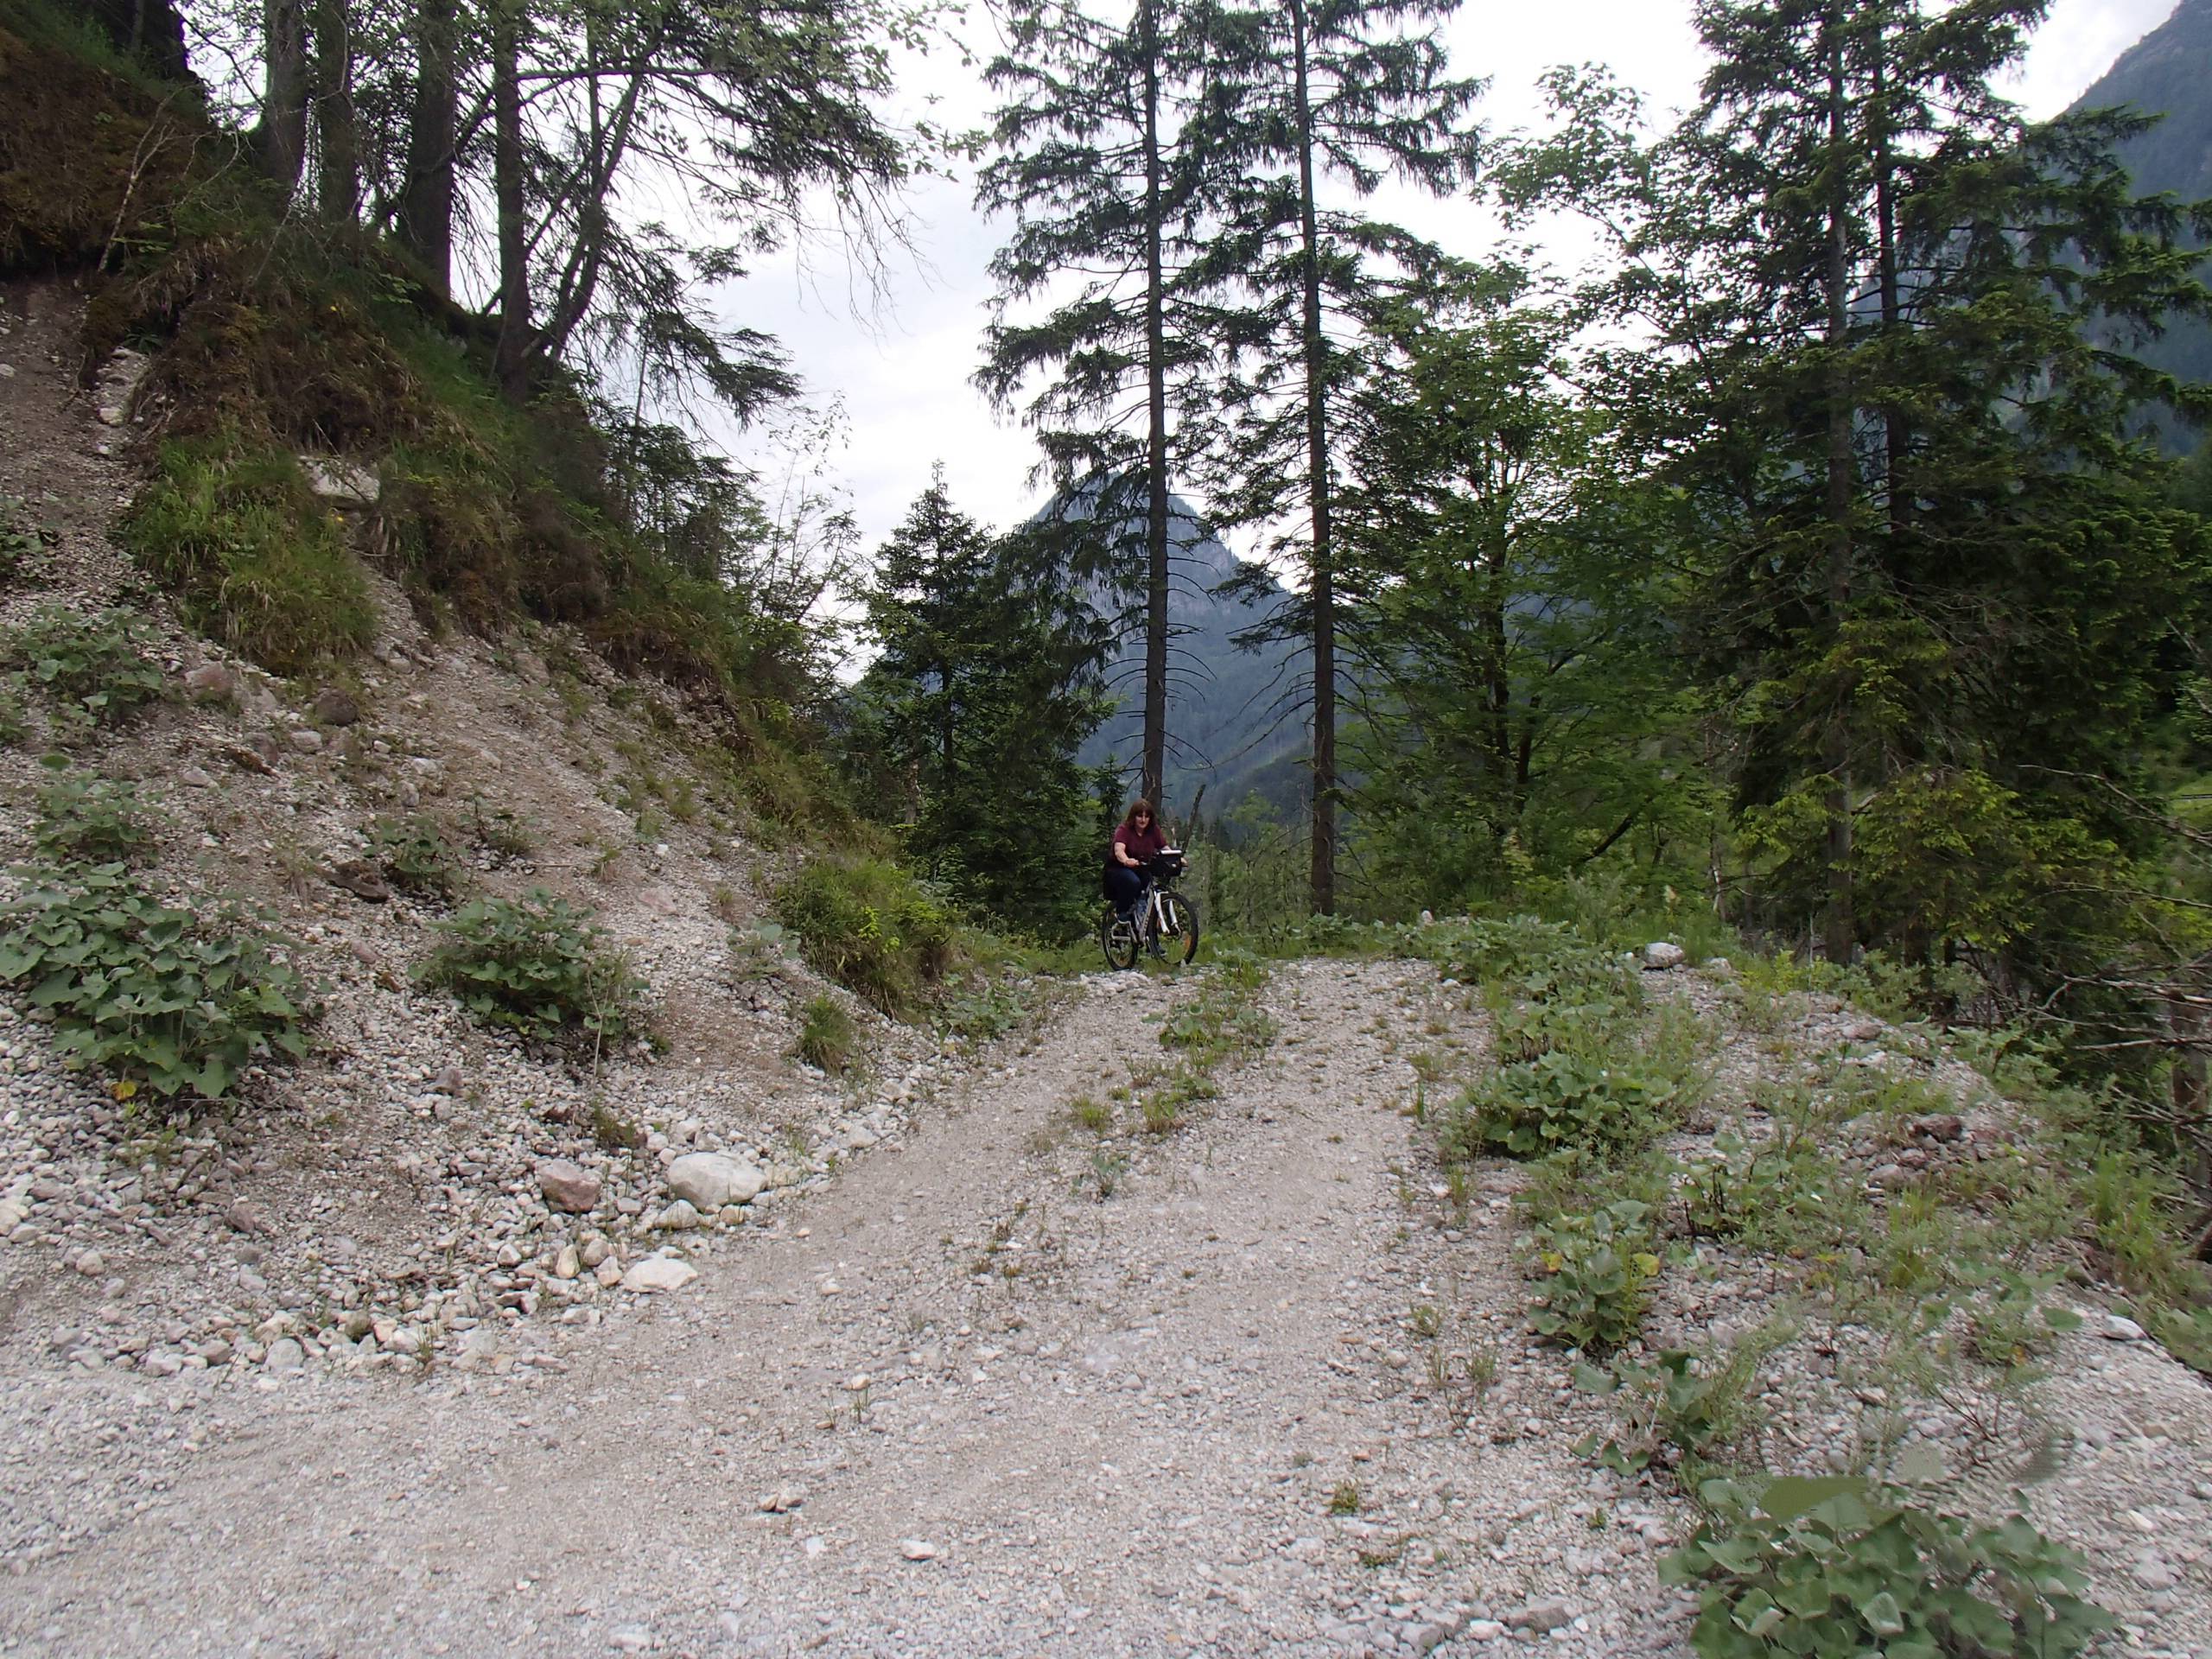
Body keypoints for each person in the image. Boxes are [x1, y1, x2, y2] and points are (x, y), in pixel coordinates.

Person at [1103, 798, 1166, 924]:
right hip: (1119, 868)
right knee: (1133, 882)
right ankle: (1121, 914)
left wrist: (1175, 857)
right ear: (1133, 816)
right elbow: (1119, 850)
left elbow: (1164, 847)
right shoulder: (1124, 830)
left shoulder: (1153, 831)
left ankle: (1146, 926)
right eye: (1140, 816)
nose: (1143, 820)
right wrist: (1126, 860)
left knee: (1150, 889)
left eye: (1146, 816)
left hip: (1141, 868)